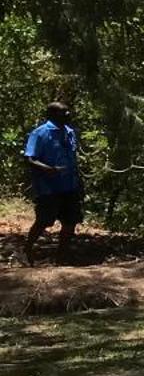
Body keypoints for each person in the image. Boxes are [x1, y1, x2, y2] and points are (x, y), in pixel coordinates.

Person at [22, 101, 83, 261]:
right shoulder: (40, 133)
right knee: (44, 221)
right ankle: (27, 248)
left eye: (68, 111)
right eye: (63, 112)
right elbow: (30, 158)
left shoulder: (70, 132)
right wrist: (47, 169)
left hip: (69, 185)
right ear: (52, 115)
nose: (68, 115)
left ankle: (61, 257)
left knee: (70, 222)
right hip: (48, 187)